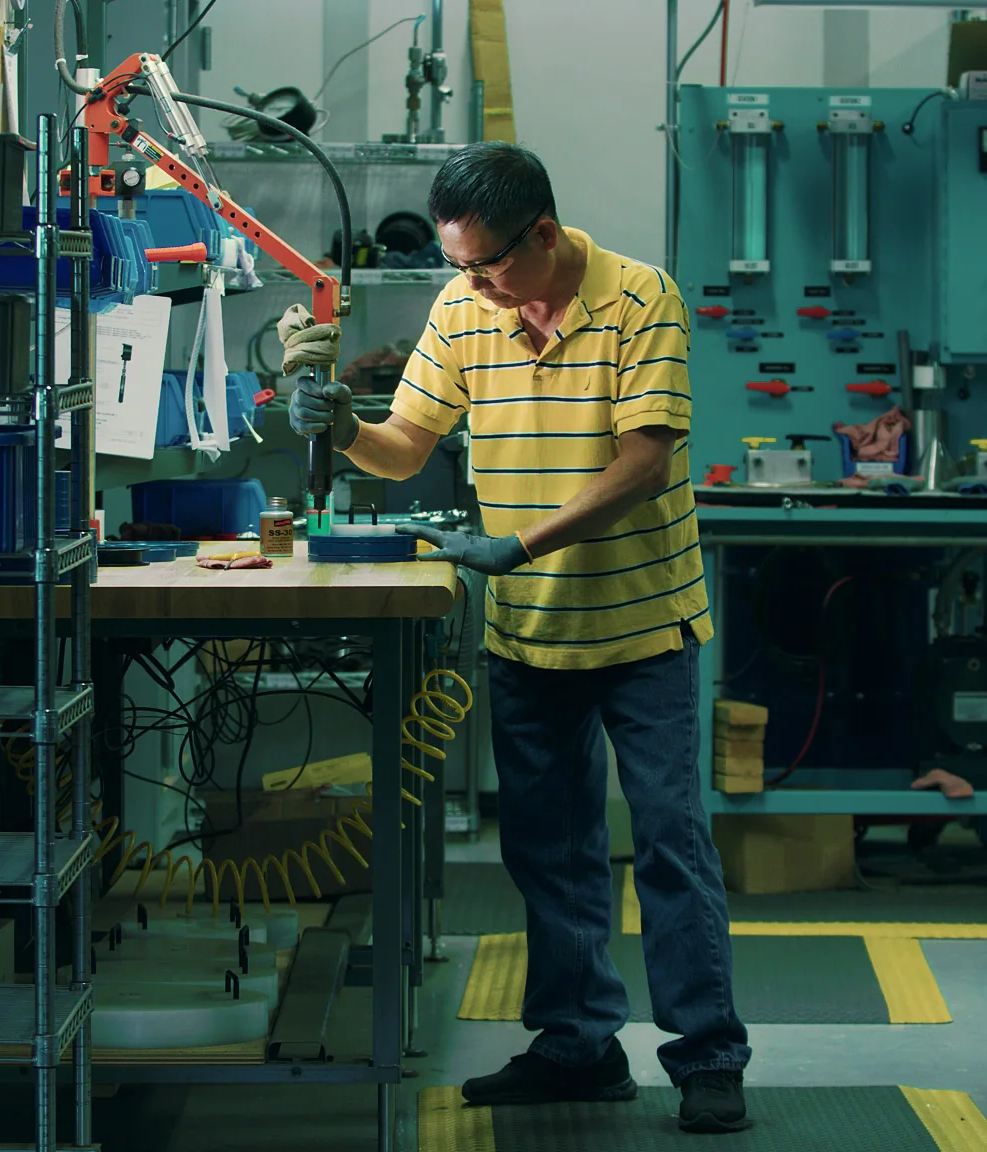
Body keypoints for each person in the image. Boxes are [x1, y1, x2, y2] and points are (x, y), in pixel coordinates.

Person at [279, 141, 750, 1134]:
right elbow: (405, 448)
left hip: (642, 625)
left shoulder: (638, 299)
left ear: (541, 234)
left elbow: (644, 463)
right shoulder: (462, 309)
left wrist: (514, 542)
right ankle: (578, 1047)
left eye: (486, 266)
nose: (473, 288)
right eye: (459, 268)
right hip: (526, 634)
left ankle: (707, 1054)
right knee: (548, 848)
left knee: (667, 839)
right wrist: (339, 425)